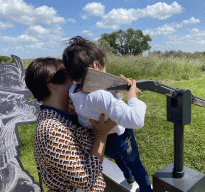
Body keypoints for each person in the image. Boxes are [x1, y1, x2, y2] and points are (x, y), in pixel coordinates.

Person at [62, 36, 153, 192]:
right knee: (135, 162)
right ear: (96, 66)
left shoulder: (74, 92)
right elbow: (136, 120)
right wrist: (132, 94)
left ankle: (129, 178)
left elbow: (104, 107)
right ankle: (146, 190)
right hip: (121, 138)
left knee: (119, 159)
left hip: (104, 143)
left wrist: (117, 90)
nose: (106, 72)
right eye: (104, 70)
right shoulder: (99, 96)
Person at [25, 57, 117, 192]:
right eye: (71, 77)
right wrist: (101, 134)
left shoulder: (63, 115)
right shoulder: (51, 130)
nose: (77, 81)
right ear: (53, 84)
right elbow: (86, 180)